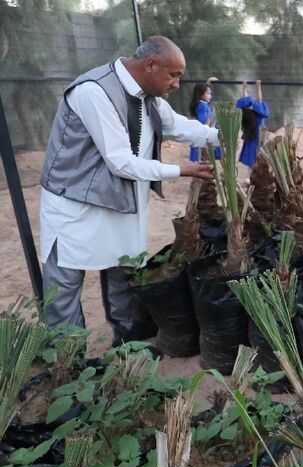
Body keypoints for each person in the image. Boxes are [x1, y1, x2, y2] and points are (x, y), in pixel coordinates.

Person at [39, 36, 218, 345]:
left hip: (121, 203)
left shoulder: (147, 96)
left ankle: (126, 348)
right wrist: (182, 170)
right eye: (173, 74)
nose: (177, 84)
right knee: (65, 284)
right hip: (76, 207)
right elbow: (120, 162)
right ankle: (67, 364)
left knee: (122, 273)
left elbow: (178, 126)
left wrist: (221, 134)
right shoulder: (94, 92)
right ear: (150, 65)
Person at [236, 79, 269, 167]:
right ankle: (251, 174)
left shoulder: (249, 111)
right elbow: (258, 100)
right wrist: (258, 87)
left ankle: (251, 174)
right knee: (255, 157)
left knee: (254, 158)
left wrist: (244, 88)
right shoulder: (257, 112)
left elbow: (247, 100)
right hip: (255, 135)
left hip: (254, 135)